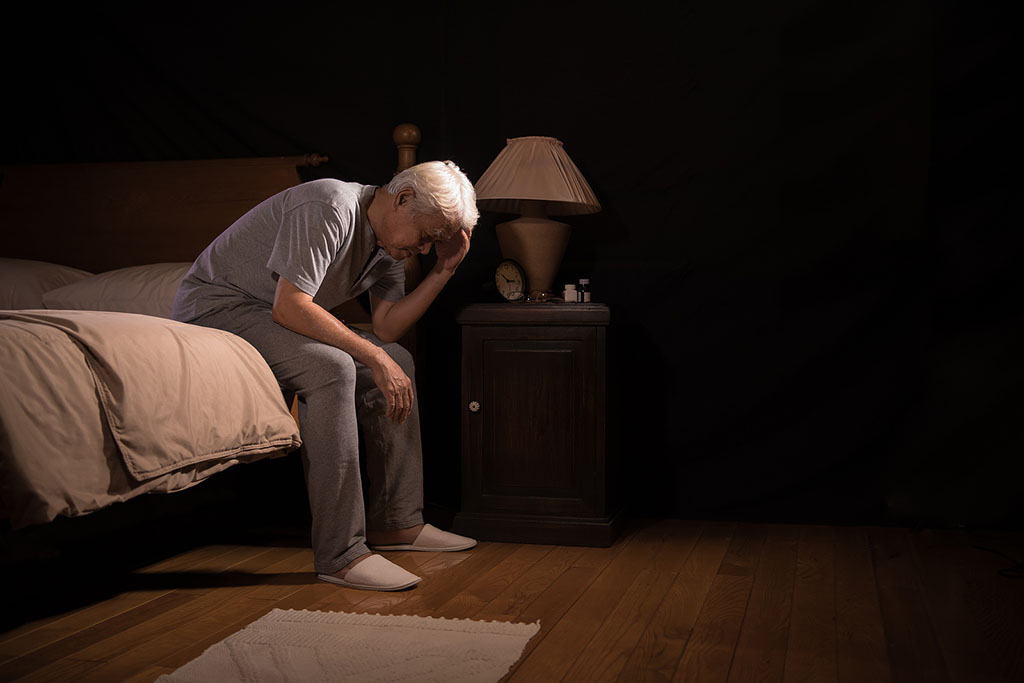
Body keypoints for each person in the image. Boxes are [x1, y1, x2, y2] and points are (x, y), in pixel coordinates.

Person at [171, 160, 480, 591]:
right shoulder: (329, 205)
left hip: (271, 312)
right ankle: (341, 554)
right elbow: (290, 306)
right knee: (333, 368)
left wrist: (443, 272)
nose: (425, 249)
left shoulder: (388, 244)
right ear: (403, 199)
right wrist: (372, 355)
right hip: (220, 307)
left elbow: (388, 327)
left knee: (398, 361)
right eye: (426, 237)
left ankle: (397, 523)